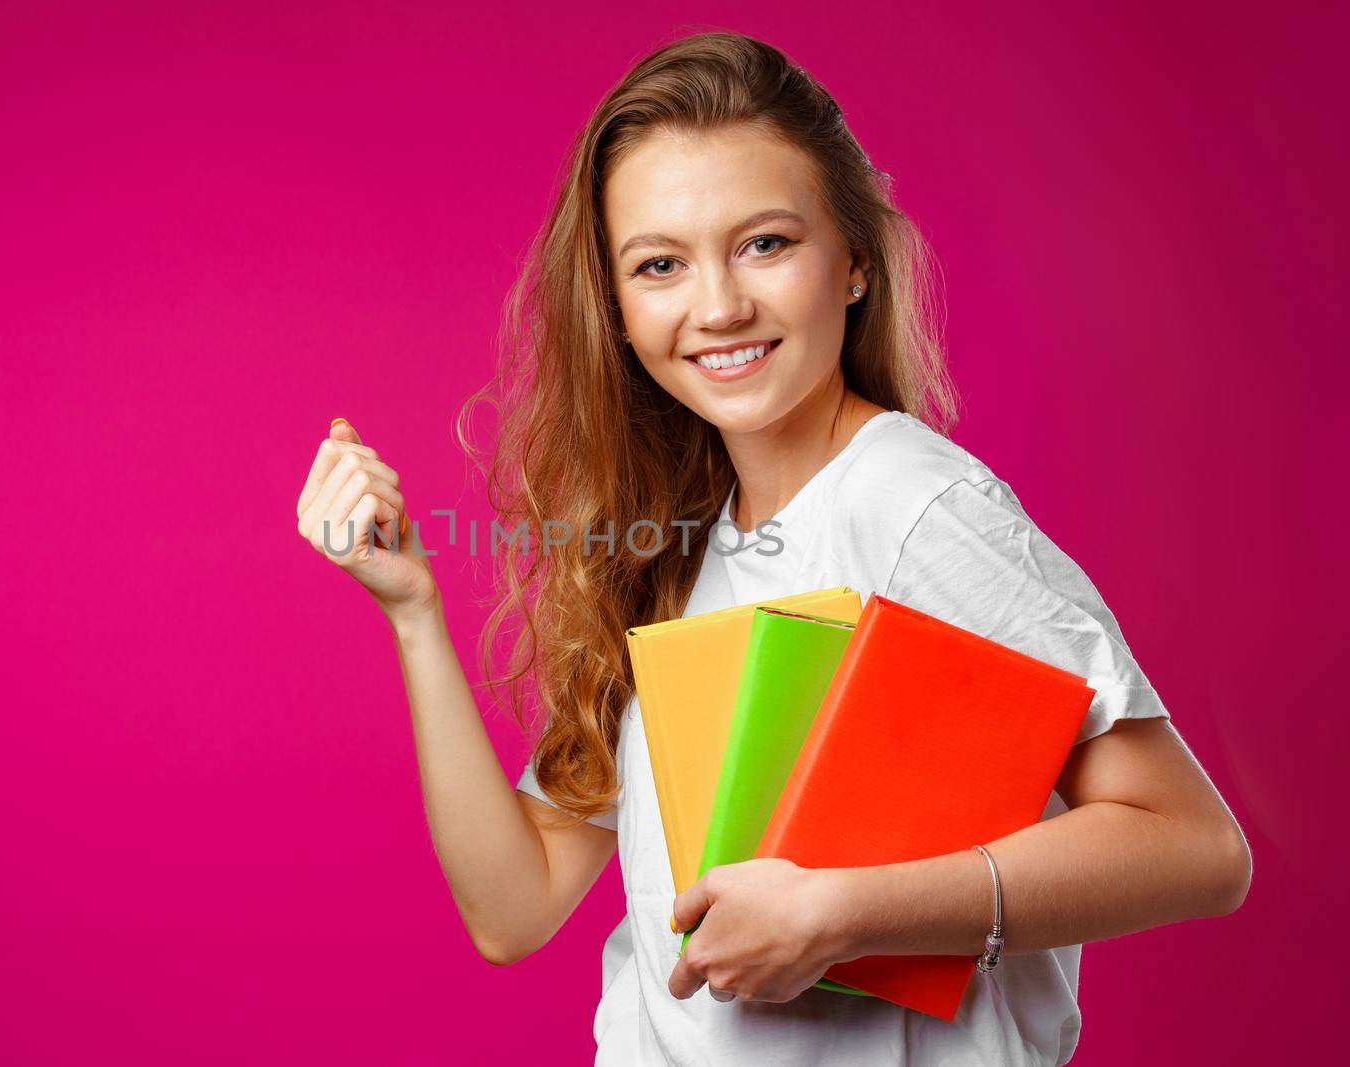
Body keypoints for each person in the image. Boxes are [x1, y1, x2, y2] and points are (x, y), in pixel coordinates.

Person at [295, 31, 1251, 1066]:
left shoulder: (907, 502)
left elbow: (1191, 845)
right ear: (615, 309)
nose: (717, 307)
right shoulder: (673, 544)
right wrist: (412, 611)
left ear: (851, 261)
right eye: (659, 264)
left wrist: (843, 912)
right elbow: (514, 907)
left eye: (764, 243)